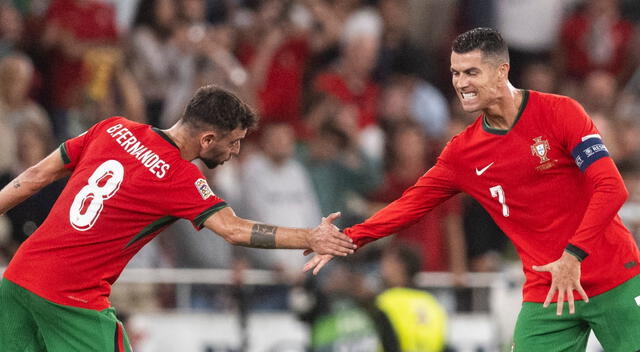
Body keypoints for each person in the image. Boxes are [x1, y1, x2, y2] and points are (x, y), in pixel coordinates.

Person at [305, 28, 640, 351]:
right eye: (455, 73)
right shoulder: (462, 154)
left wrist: (573, 256)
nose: (460, 84)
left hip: (614, 276)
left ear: (501, 71)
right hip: (548, 289)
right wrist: (349, 237)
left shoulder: (560, 112)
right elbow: (409, 205)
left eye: (471, 72)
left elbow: (612, 188)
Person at [0, 85, 356, 351]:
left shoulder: (112, 128)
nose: (236, 151)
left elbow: (33, 177)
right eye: (234, 142)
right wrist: (310, 238)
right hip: (71, 297)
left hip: (19, 276)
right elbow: (232, 229)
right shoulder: (179, 177)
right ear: (207, 139)